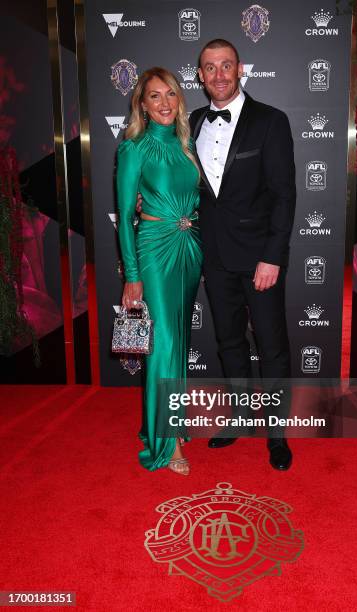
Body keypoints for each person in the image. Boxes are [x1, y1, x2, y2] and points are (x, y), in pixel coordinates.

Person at [189, 39, 296, 470]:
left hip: (258, 259)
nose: (218, 75)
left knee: (271, 346)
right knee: (229, 341)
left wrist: (273, 256)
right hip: (213, 256)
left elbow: (284, 195)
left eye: (226, 66)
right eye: (210, 68)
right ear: (199, 75)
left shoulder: (271, 121)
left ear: (240, 70)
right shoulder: (192, 121)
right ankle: (237, 415)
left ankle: (277, 432)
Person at [116, 67, 202, 475]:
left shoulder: (187, 144)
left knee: (178, 341)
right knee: (164, 344)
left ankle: (170, 421)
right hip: (153, 251)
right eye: (154, 96)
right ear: (142, 105)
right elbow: (125, 215)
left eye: (170, 94)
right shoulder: (133, 149)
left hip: (188, 249)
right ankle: (166, 446)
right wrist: (132, 275)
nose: (165, 103)